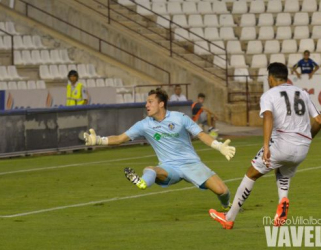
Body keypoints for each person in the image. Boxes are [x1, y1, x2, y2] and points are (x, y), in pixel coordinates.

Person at [84, 88, 236, 212]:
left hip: (191, 164)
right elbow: (119, 139)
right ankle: (142, 182)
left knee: (222, 191)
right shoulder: (144, 124)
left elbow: (201, 134)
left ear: (161, 104)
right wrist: (98, 140)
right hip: (169, 167)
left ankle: (226, 205)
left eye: (150, 102)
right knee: (151, 169)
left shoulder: (179, 118)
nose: (146, 105)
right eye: (147, 102)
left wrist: (218, 146)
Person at [209, 63, 321, 230]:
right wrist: (307, 139)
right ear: (286, 77)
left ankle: (229, 217)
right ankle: (283, 200)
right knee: (283, 171)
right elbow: (318, 120)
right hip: (302, 147)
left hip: (282, 144)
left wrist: (266, 146)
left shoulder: (269, 94)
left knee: (251, 174)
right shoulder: (302, 93)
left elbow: (267, 117)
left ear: (270, 77)